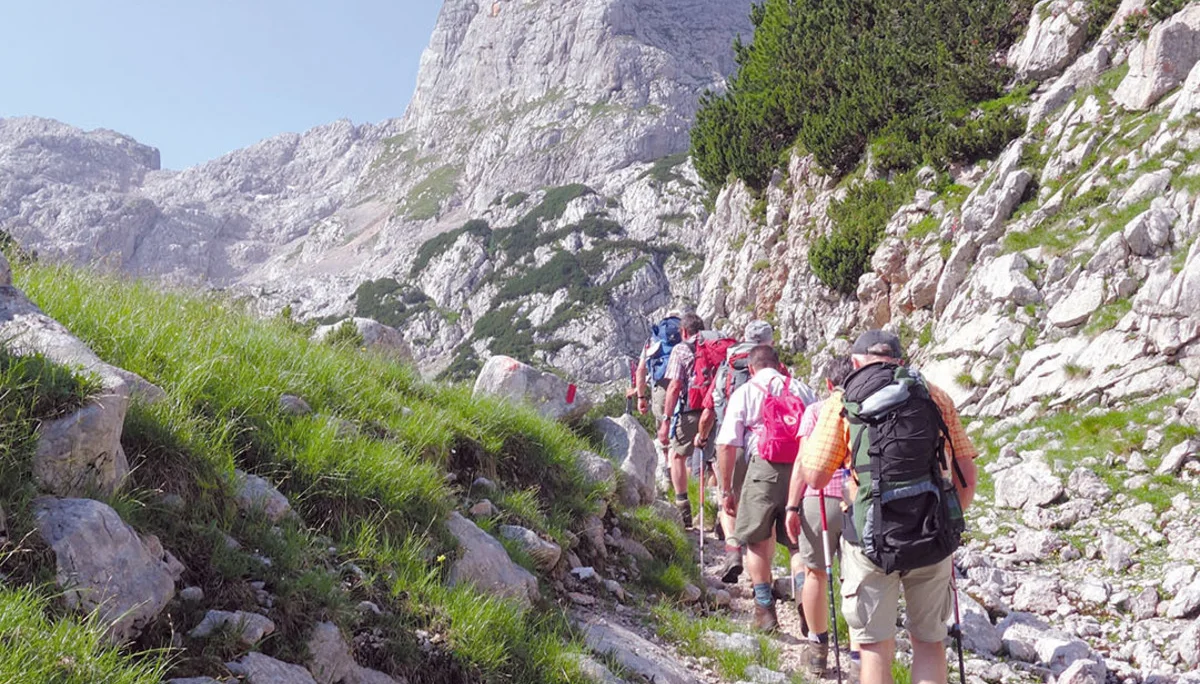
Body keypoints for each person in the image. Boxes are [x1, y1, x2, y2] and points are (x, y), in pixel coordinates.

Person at [801, 331, 978, 684]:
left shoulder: (842, 400)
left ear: (855, 362)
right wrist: (949, 519)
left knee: (875, 647)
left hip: (871, 539)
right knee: (929, 643)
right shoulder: (933, 394)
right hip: (931, 534)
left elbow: (816, 476)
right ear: (901, 360)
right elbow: (967, 475)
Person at [716, 345, 818, 632]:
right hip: (801, 469)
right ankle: (804, 599)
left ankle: (765, 611)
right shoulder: (801, 389)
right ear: (780, 364)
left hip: (763, 469)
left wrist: (727, 489)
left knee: (758, 542)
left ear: (751, 368)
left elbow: (727, 444)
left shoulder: (746, 392)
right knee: (797, 542)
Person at [784, 356, 854, 677]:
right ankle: (859, 657)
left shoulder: (815, 411)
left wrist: (792, 505)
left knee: (815, 573)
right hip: (855, 498)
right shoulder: (865, 409)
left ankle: (817, 650)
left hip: (820, 497)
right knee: (857, 578)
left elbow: (802, 461)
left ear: (828, 384)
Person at [697, 319, 778, 582]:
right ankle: (763, 580)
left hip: (730, 445)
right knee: (765, 514)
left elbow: (710, 405)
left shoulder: (727, 365)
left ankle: (732, 549)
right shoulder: (775, 368)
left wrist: (702, 434)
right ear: (770, 342)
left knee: (727, 501)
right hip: (768, 449)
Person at [655, 312, 713, 526]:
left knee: (676, 455)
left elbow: (674, 386)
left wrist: (666, 420)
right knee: (714, 460)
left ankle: (683, 509)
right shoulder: (715, 346)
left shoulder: (680, 349)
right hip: (717, 410)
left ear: (684, 331)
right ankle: (719, 512)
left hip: (692, 410)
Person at [627, 311, 682, 487]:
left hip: (661, 390)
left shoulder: (653, 339)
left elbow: (641, 370)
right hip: (683, 387)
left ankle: (668, 472)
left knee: (664, 432)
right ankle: (685, 474)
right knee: (682, 432)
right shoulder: (686, 335)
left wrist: (641, 397)